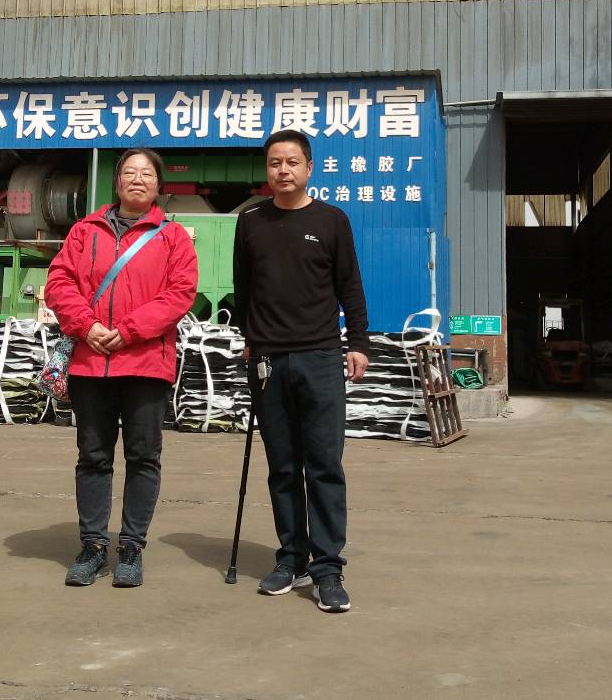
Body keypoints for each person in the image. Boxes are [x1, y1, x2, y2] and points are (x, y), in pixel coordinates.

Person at [45, 149, 198, 590]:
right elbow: (59, 282)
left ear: (159, 186)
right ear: (116, 182)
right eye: (129, 172)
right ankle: (93, 546)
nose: (137, 179)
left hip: (146, 364)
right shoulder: (84, 231)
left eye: (146, 173)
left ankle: (131, 547)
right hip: (91, 363)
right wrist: (87, 325)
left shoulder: (173, 238)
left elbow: (180, 293)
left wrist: (128, 331)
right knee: (93, 457)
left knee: (143, 457)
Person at [233, 129, 369, 614]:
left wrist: (358, 343)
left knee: (325, 465)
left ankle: (327, 568)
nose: (283, 170)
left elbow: (350, 285)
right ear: (266, 170)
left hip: (321, 357)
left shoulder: (331, 220)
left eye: (292, 162)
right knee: (283, 467)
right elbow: (243, 288)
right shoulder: (251, 221)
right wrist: (251, 339)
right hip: (268, 360)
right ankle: (291, 558)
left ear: (309, 168)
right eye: (275, 163)